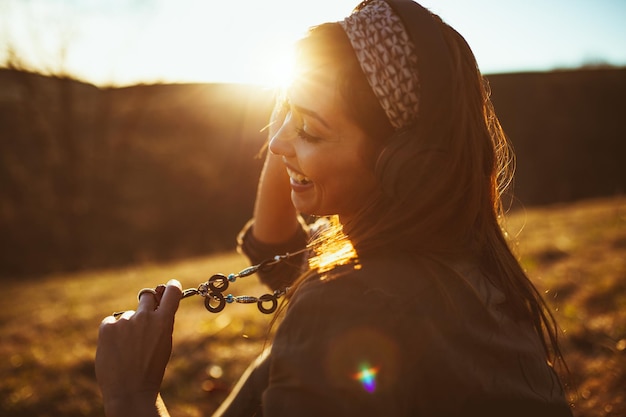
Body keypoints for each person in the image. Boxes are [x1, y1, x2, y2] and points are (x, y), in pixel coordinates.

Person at [95, 0, 573, 416]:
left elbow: (320, 286)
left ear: (401, 164)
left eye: (312, 130)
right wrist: (297, 116)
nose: (275, 143)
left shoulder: (344, 307)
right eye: (282, 113)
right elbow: (275, 239)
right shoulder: (468, 266)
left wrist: (131, 398)